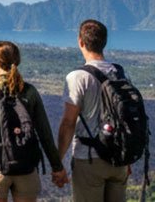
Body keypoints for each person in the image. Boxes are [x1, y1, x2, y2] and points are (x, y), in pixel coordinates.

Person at [0, 40, 66, 201]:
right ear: (17, 61)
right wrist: (57, 167)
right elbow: (44, 133)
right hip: (26, 167)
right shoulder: (30, 92)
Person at [56, 19, 131, 202]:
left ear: (81, 42)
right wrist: (128, 159)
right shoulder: (121, 73)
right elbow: (127, 118)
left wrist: (57, 161)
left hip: (89, 158)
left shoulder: (78, 77)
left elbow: (68, 123)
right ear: (104, 42)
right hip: (119, 159)